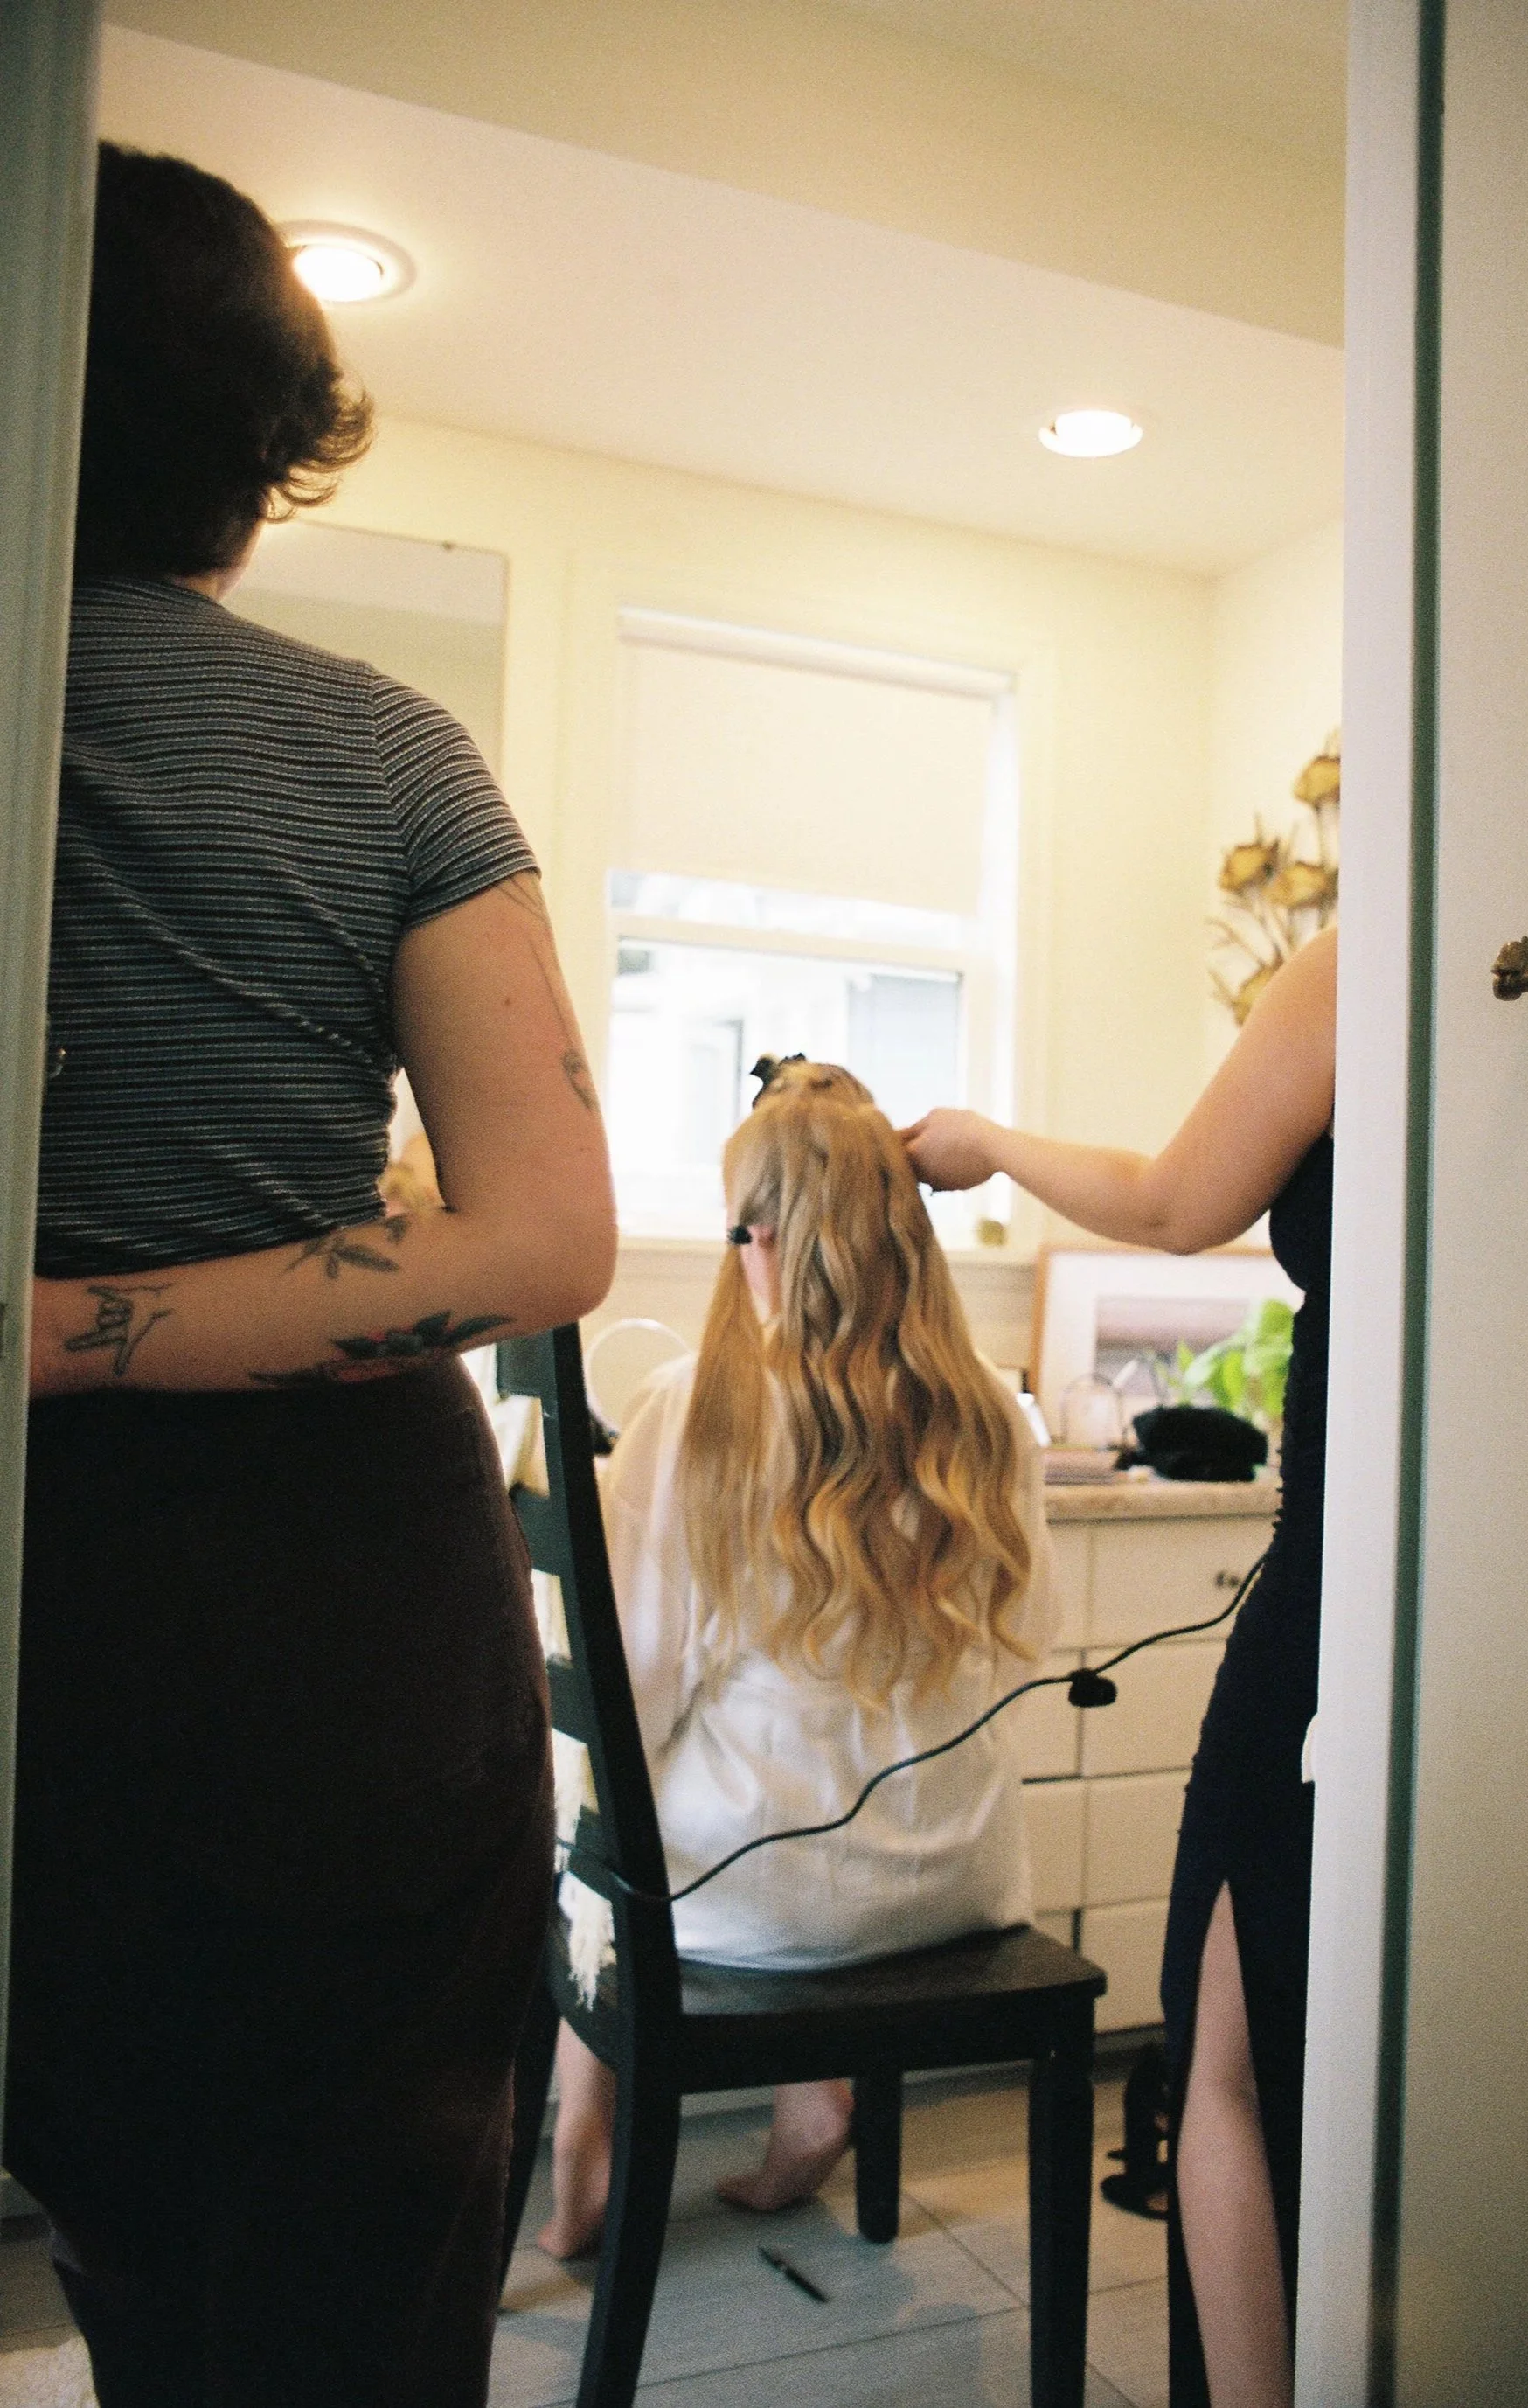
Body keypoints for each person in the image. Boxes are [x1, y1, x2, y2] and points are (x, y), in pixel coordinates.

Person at [17, 145, 615, 2408]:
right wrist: (97, 1341)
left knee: (124, 2238)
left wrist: (50, 1333)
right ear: (267, 443)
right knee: (354, 2279)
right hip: (334, 1612)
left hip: (65, 1599)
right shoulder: (379, 747)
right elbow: (543, 1230)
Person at [904, 927, 1336, 2408]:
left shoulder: (1381, 956)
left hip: (1350, 1585)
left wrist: (981, 1142)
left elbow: (1169, 1199)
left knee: (1221, 2023)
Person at [540, 1061, 1055, 2258]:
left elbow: (635, 1689)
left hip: (762, 1917)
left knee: (596, 1805)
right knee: (812, 1753)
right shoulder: (992, 1411)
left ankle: (580, 2154)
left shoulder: (698, 1408)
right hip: (958, 1883)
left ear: (761, 1237)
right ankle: (815, 2091)